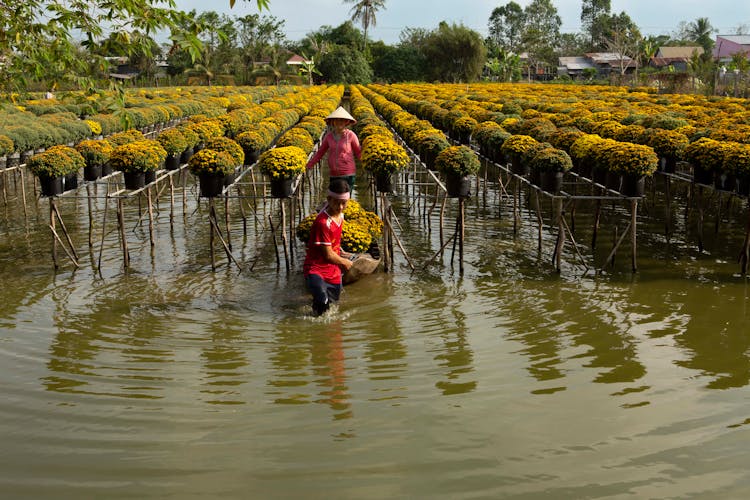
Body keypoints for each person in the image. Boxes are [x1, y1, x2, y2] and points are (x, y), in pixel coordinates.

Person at [303, 178, 354, 316]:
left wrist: (342, 252)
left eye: (344, 203)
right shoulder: (323, 222)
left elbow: (334, 242)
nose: (341, 207)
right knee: (323, 303)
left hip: (333, 271)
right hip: (316, 269)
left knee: (333, 306)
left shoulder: (340, 216)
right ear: (329, 199)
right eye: (337, 203)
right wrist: (345, 262)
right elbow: (328, 255)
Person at [306, 106, 361, 193]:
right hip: (333, 174)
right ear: (333, 122)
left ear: (346, 122)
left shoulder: (351, 135)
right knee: (334, 198)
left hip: (348, 174)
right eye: (337, 120)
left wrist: (368, 164)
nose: (339, 122)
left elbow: (358, 152)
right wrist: (309, 165)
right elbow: (320, 153)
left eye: (342, 120)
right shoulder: (329, 137)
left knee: (344, 199)